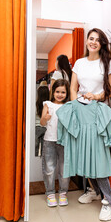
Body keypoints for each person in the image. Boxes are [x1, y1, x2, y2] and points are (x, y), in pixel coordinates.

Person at [70, 28, 111, 221]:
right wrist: (76, 108)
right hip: (81, 113)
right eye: (91, 39)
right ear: (87, 41)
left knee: (98, 158)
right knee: (85, 155)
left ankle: (110, 200)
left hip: (98, 113)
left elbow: (110, 91)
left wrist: (95, 97)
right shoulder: (79, 63)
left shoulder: (108, 63)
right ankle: (95, 191)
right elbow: (73, 88)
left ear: (102, 44)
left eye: (98, 40)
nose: (93, 42)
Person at [40, 79, 70, 207]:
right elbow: (42, 123)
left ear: (67, 93)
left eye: (63, 92)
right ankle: (50, 193)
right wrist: (45, 118)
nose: (60, 94)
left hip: (64, 142)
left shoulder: (68, 106)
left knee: (64, 169)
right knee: (49, 169)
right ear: (53, 92)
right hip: (49, 141)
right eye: (57, 91)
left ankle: (63, 193)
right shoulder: (47, 104)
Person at [35, 85, 49, 156]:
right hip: (46, 128)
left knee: (35, 148)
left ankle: (34, 163)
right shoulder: (48, 105)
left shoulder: (35, 104)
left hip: (36, 127)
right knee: (45, 149)